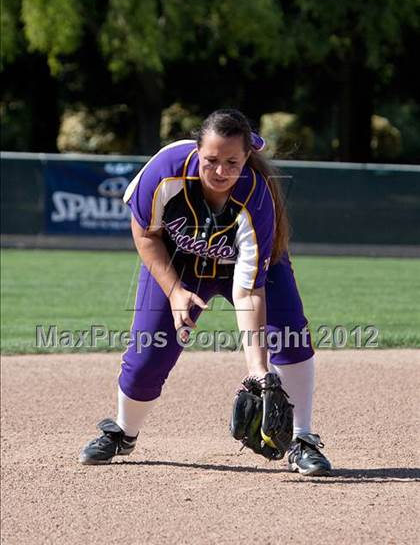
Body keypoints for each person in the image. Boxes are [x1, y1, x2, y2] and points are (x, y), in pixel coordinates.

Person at [79, 109, 331, 476]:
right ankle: (122, 432)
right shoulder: (166, 171)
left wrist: (259, 372)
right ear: (197, 151)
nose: (220, 171)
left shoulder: (256, 198)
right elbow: (145, 233)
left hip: (243, 267)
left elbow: (249, 294)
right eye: (211, 160)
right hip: (178, 263)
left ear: (246, 158)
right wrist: (174, 290)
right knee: (148, 353)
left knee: (290, 334)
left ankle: (302, 440)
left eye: (232, 162)